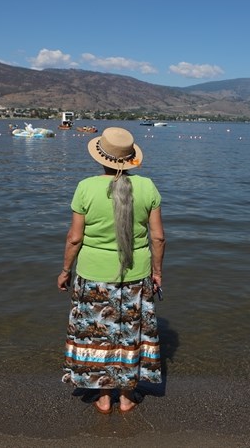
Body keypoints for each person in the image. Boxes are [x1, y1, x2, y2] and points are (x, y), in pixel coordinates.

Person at [57, 127, 165, 415]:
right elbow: (158, 238)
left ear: (101, 157)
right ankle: (127, 396)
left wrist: (65, 270)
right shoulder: (147, 187)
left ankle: (104, 397)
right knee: (129, 334)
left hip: (94, 274)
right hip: (136, 274)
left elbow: (75, 238)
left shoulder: (86, 187)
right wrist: (157, 272)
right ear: (129, 159)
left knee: (99, 334)